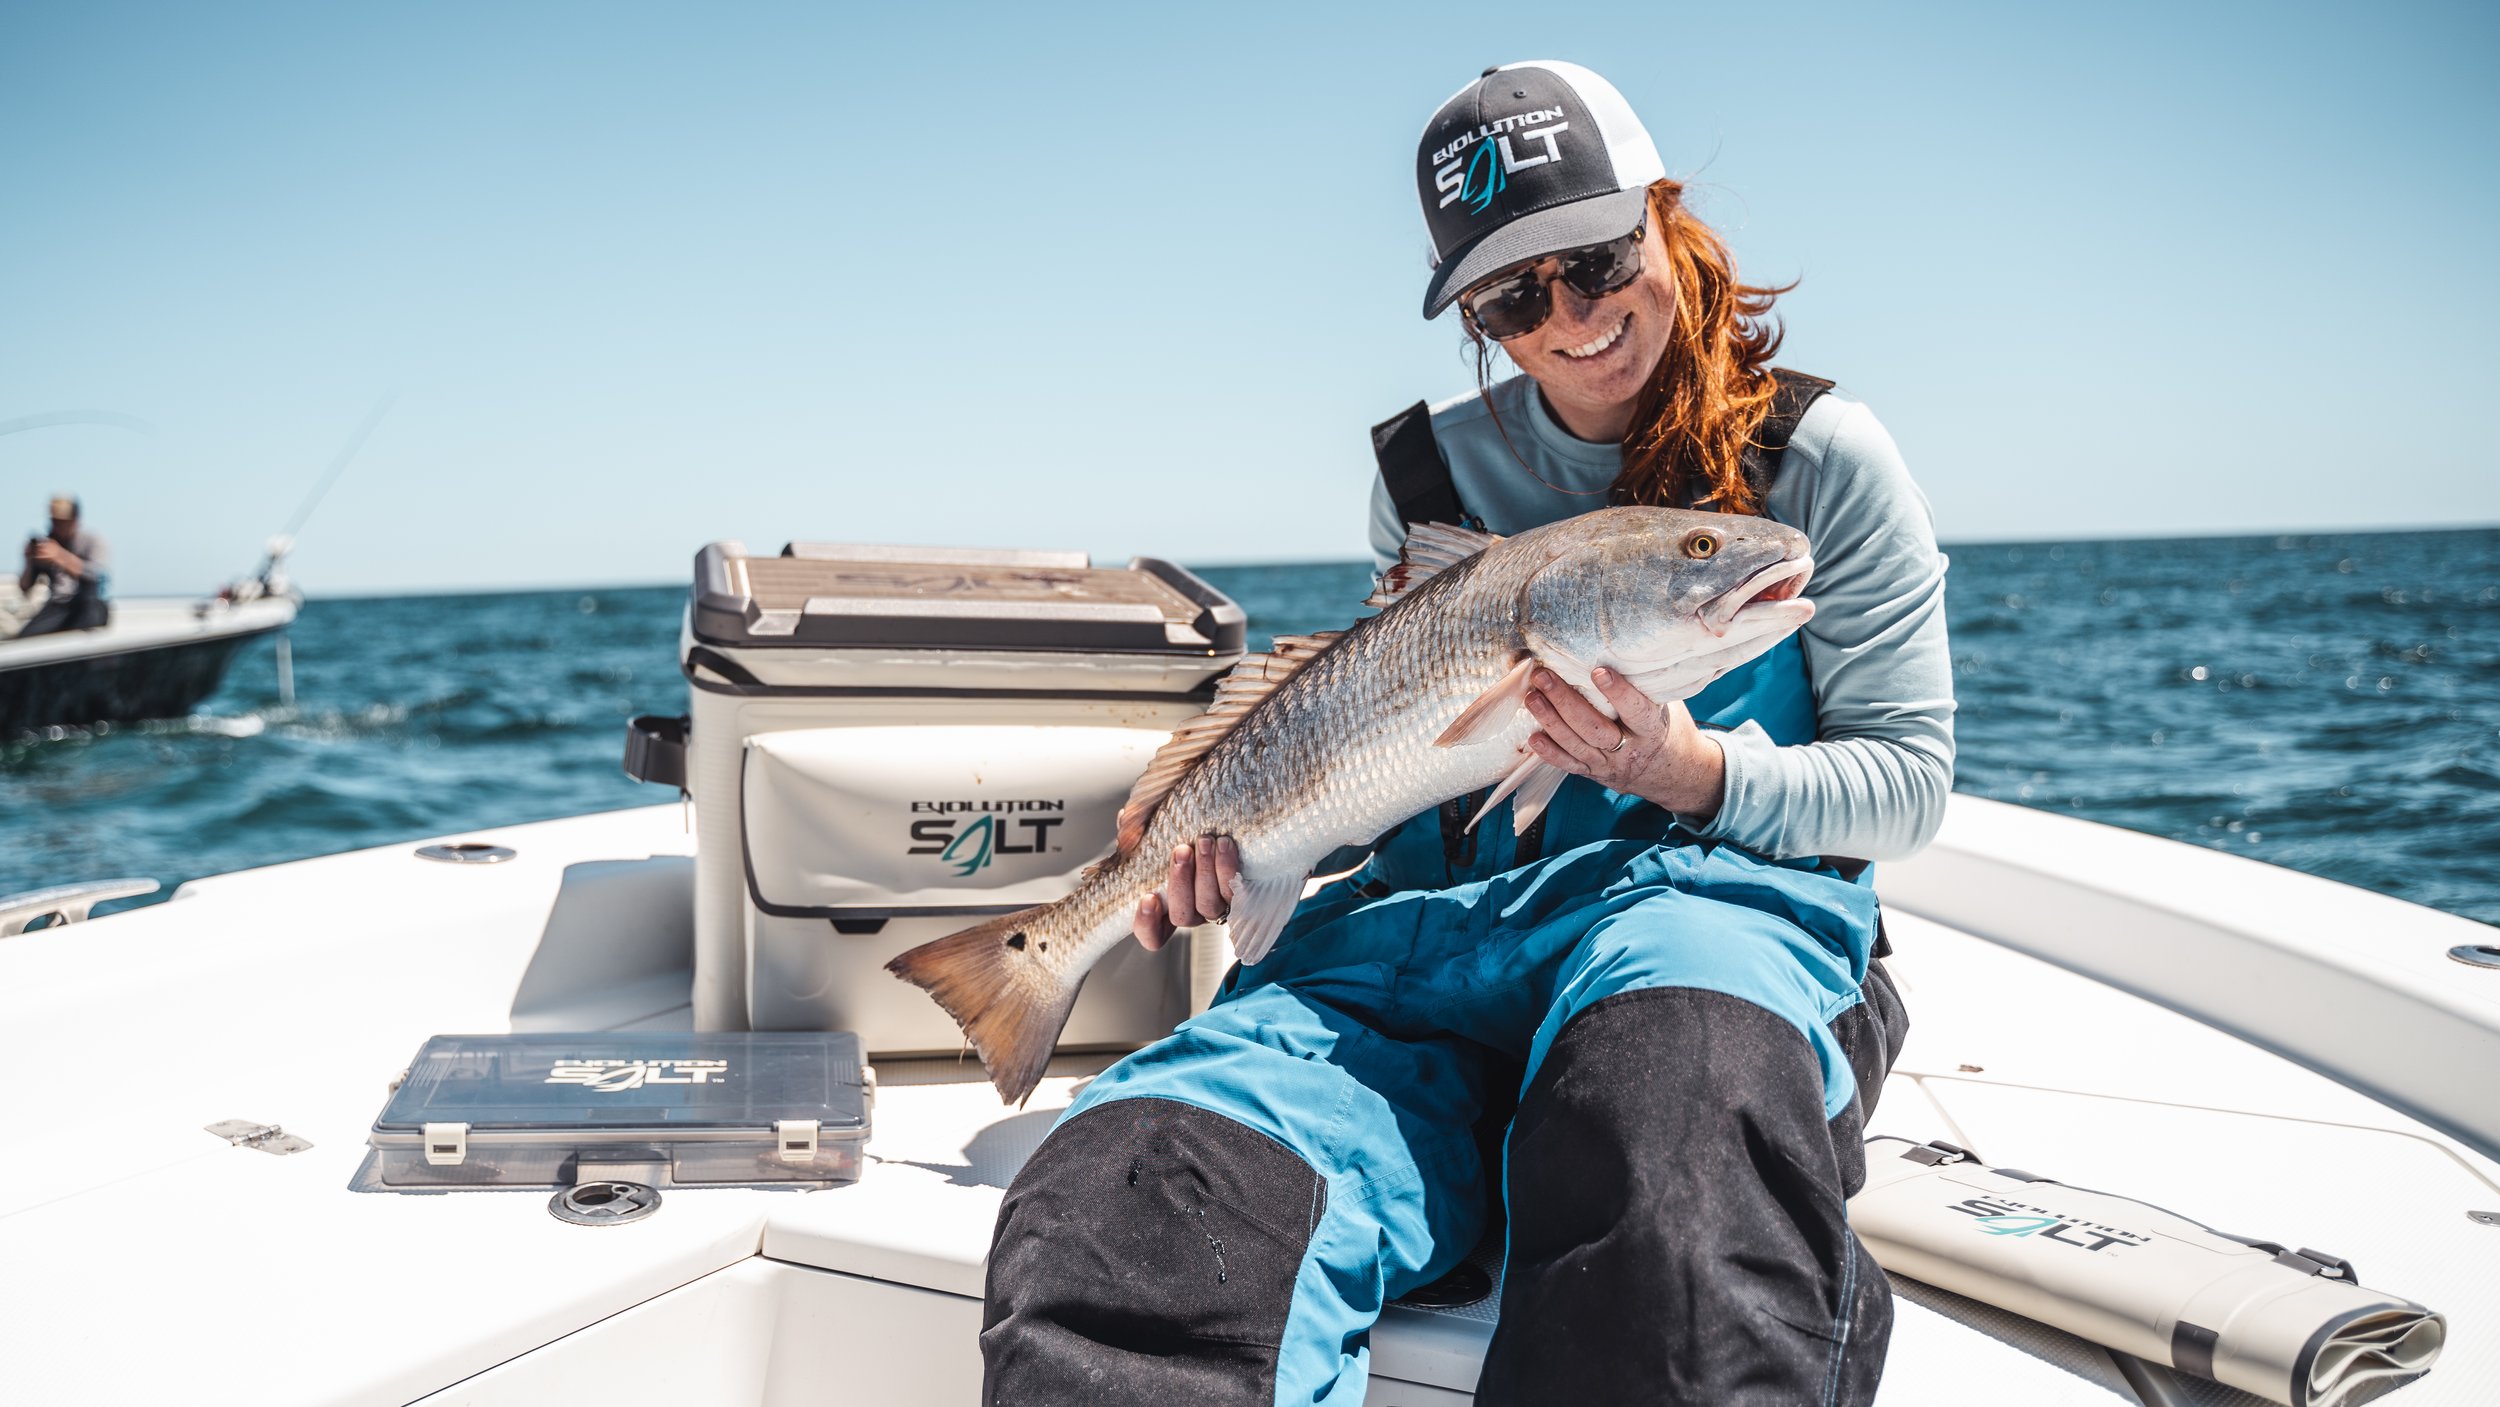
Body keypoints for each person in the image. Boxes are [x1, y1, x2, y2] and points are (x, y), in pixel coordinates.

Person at [981, 61, 1954, 1406]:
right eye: (1511, 295)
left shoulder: (1824, 462)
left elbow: (1908, 783)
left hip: (1698, 927)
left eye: (1599, 257)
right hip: (1428, 939)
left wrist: (1687, 769)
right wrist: (1257, 855)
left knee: (1677, 1166)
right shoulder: (1423, 480)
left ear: (1664, 218)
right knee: (1136, 1196)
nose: (1574, 317)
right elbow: (1383, 761)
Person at [18, 495, 112, 636]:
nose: (57, 526)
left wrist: (60, 556)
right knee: (25, 638)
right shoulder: (47, 545)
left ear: (74, 520)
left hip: (88, 604)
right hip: (58, 606)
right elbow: (25, 588)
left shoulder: (91, 541)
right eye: (54, 521)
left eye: (62, 521)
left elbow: (96, 576)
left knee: (86, 627)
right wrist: (29, 561)